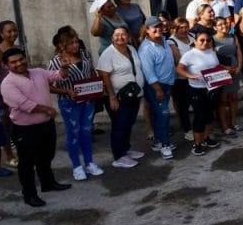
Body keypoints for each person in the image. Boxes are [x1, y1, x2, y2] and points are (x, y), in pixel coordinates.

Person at [0, 48, 71, 207]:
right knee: (26, 164)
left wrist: (64, 67)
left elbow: (58, 76)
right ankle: (29, 195)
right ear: (6, 65)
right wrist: (47, 110)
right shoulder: (8, 83)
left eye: (21, 59)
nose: (19, 63)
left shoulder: (38, 72)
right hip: (25, 129)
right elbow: (24, 104)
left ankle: (48, 183)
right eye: (13, 62)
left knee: (46, 156)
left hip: (46, 125)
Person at [45, 29, 104, 180]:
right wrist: (66, 92)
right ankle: (77, 166)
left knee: (86, 131)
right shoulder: (55, 62)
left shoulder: (85, 55)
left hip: (88, 100)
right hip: (69, 103)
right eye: (70, 43)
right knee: (73, 132)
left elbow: (92, 72)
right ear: (62, 46)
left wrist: (96, 86)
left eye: (76, 41)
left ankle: (89, 162)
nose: (75, 45)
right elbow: (48, 85)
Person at [96, 27, 145, 169]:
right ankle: (118, 156)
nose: (120, 37)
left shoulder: (131, 49)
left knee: (129, 123)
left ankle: (126, 150)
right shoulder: (108, 54)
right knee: (119, 125)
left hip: (133, 94)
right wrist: (111, 96)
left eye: (123, 34)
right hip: (118, 97)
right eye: (117, 35)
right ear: (112, 37)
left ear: (128, 37)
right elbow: (104, 75)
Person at [176, 28, 224, 156]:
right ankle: (197, 144)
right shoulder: (189, 54)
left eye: (208, 40)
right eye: (202, 40)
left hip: (212, 89)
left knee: (209, 115)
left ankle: (206, 138)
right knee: (200, 116)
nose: (205, 42)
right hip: (196, 90)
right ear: (195, 41)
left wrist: (224, 71)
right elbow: (179, 68)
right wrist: (189, 75)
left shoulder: (211, 52)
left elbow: (216, 67)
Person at [137, 17, 177, 160]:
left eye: (159, 26)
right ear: (147, 30)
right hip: (155, 87)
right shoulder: (146, 49)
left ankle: (159, 141)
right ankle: (165, 145)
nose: (158, 29)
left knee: (158, 114)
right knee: (164, 114)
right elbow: (148, 72)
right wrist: (158, 89)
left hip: (167, 84)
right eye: (154, 27)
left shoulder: (165, 41)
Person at [213, 16, 242, 138]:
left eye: (225, 23)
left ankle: (233, 122)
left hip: (235, 71)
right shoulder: (212, 40)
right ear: (215, 27)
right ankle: (224, 126)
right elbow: (212, 58)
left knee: (234, 97)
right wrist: (225, 68)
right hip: (221, 73)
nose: (224, 26)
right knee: (223, 100)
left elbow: (239, 52)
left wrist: (239, 66)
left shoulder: (233, 36)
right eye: (220, 24)